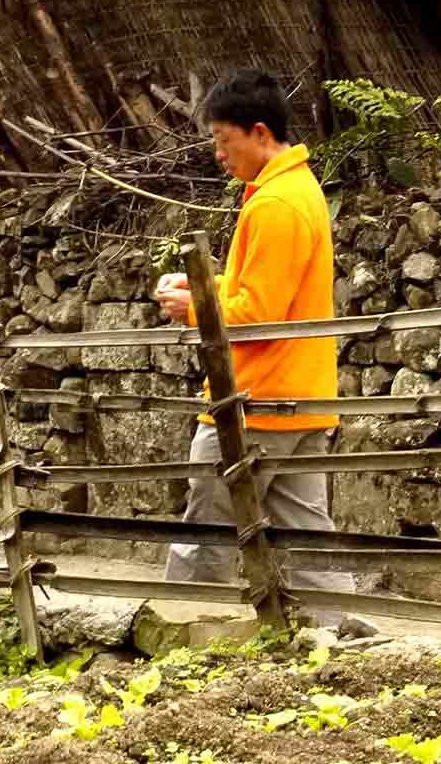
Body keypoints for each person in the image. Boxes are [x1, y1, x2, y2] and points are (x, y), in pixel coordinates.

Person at [153, 70, 368, 633]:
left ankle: (180, 633)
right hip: (302, 395)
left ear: (259, 133)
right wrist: (208, 285)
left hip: (255, 398)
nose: (219, 154)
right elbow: (267, 294)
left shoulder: (275, 203)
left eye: (223, 140)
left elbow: (258, 314)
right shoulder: (299, 190)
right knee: (306, 530)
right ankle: (338, 633)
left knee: (208, 524)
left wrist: (197, 306)